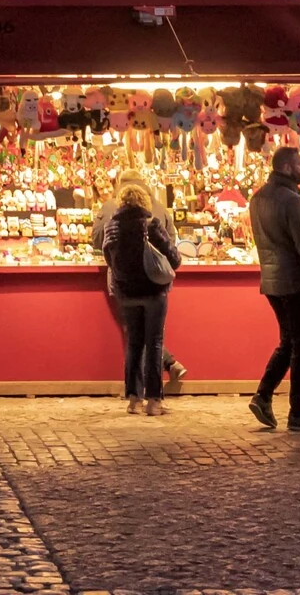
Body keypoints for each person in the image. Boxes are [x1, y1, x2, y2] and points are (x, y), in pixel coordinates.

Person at [245, 147, 300, 432]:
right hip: (295, 281)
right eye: (298, 164)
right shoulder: (292, 200)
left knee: (289, 341)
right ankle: (298, 412)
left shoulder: (258, 198)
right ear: (285, 167)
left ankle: (264, 395)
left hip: (271, 280)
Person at [99, 178, 180, 418]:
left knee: (134, 343)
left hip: (126, 293)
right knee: (154, 343)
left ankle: (133, 399)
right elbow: (174, 259)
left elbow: (108, 259)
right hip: (154, 292)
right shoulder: (151, 225)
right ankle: (154, 400)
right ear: (144, 201)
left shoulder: (111, 227)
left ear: (121, 202)